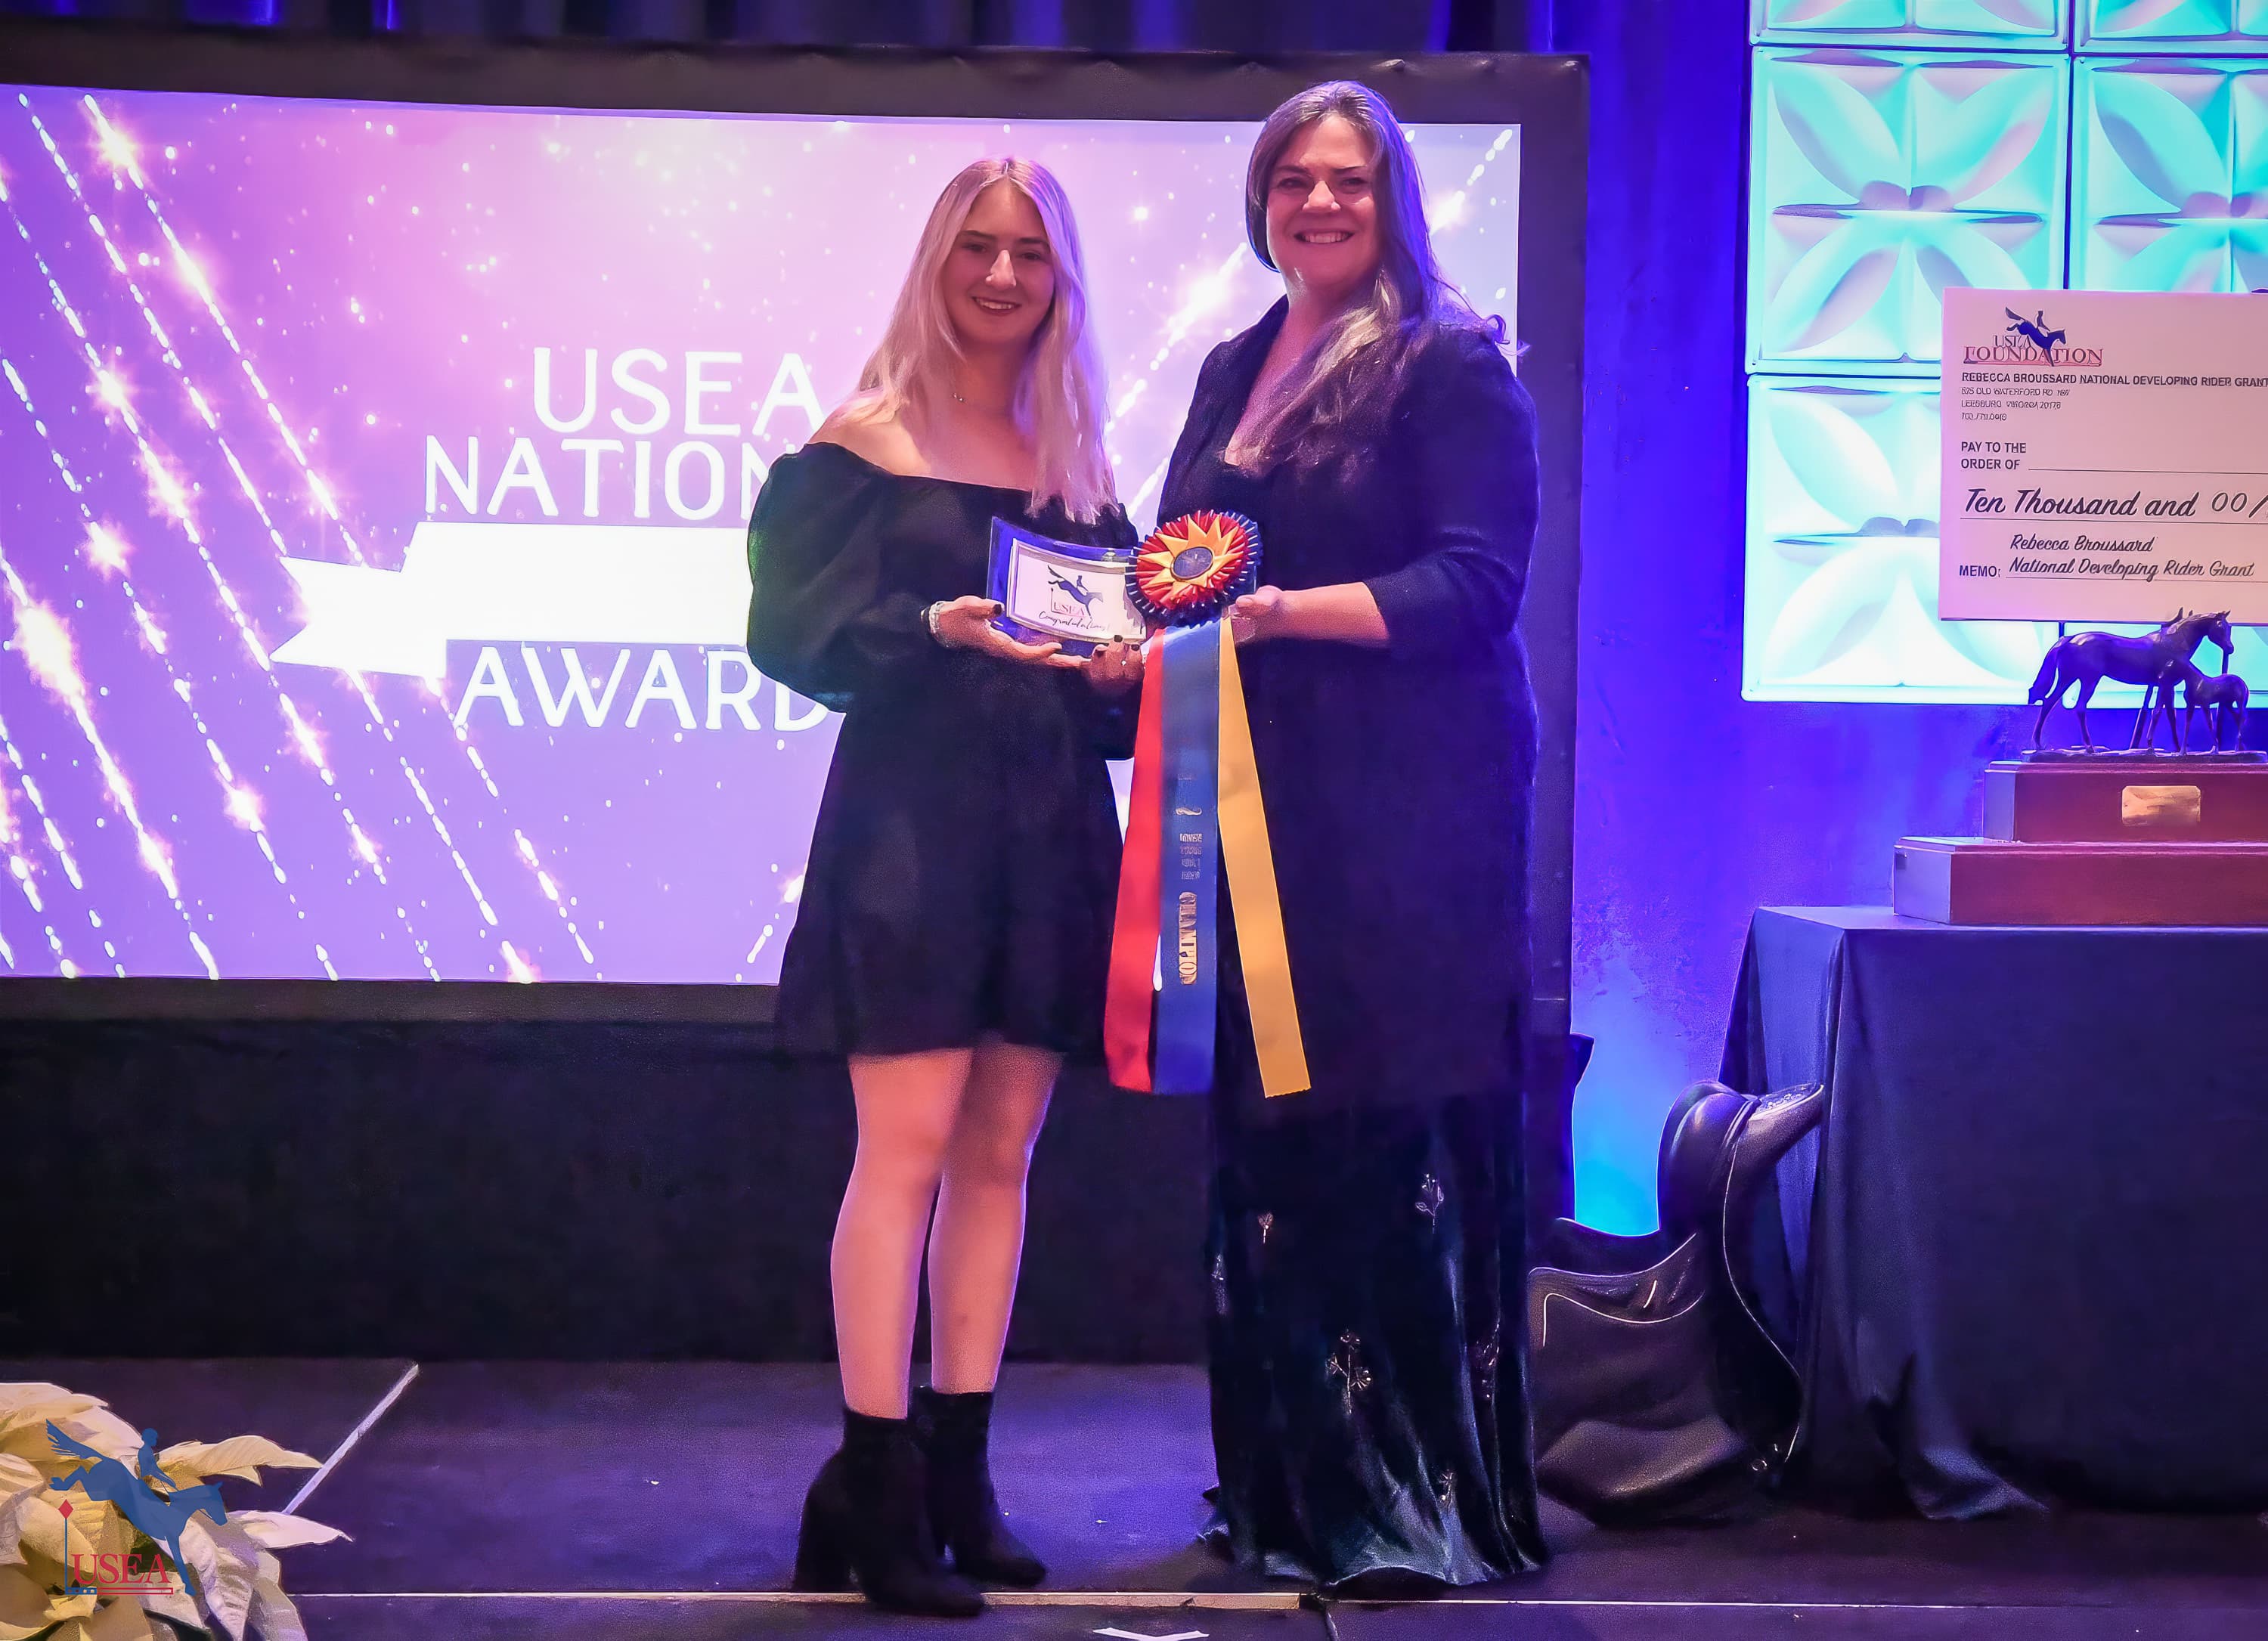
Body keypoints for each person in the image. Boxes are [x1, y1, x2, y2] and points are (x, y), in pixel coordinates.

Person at [1155, 81, 1548, 1591]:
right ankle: (1288, 1488)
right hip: (1260, 808)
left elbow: (1477, 586)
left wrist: (1277, 615)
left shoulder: (1451, 363)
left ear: (1395, 201)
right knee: (1274, 1136)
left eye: (1351, 180)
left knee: (1384, 1128)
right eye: (1294, 180)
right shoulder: (1233, 364)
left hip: (1410, 816)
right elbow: (1175, 566)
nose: (1320, 203)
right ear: (1261, 199)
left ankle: (1409, 1505)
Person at [745, 156, 1142, 1618]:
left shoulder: (1076, 463)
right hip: (910, 835)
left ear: (1061, 280)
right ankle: (877, 1481)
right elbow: (786, 635)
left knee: (999, 1160)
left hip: (1048, 837)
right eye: (977, 247)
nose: (1000, 275)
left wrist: (1123, 678)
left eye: (1030, 254)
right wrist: (932, 627)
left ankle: (961, 1473)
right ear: (936, 259)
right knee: (902, 1154)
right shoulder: (863, 440)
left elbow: (1112, 698)